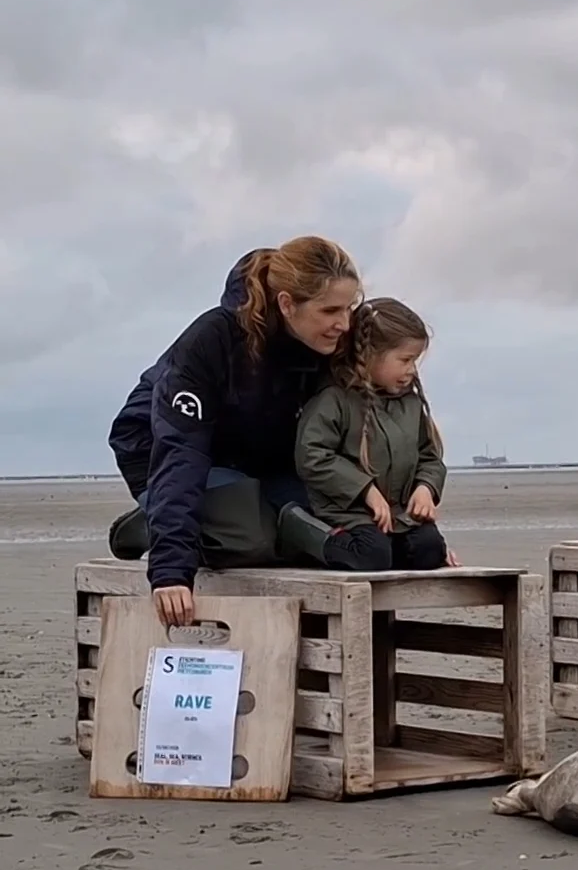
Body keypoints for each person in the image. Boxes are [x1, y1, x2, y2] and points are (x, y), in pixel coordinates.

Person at [106, 236, 360, 626]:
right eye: (330, 311)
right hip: (159, 450)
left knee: (323, 527)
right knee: (254, 538)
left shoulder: (325, 341)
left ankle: (221, 510)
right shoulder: (210, 340)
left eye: (350, 307)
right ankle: (149, 524)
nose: (343, 323)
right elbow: (181, 454)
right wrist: (171, 571)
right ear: (287, 304)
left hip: (250, 458)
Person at [279, 298, 451, 571]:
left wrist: (425, 489)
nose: (411, 370)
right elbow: (313, 455)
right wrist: (365, 490)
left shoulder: (411, 403)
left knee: (430, 551)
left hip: (398, 516)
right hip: (345, 514)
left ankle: (388, 549)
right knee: (370, 556)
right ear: (371, 354)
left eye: (415, 361)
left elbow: (429, 456)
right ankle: (300, 531)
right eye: (405, 360)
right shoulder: (335, 398)